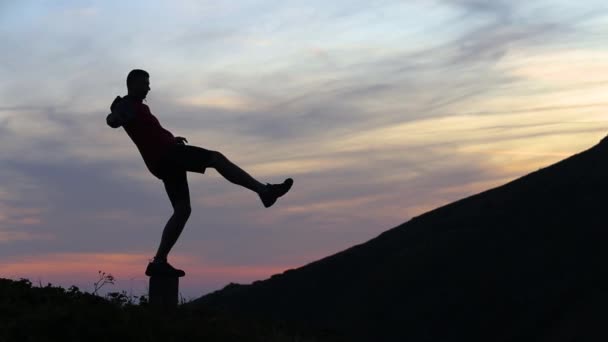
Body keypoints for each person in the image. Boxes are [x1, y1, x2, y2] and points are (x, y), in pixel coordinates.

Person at [106, 69, 293, 277]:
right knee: (216, 158)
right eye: (145, 83)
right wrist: (115, 117)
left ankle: (159, 261)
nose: (149, 87)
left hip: (164, 159)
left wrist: (171, 139)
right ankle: (263, 191)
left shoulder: (141, 107)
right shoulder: (127, 105)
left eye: (149, 83)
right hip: (168, 156)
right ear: (132, 84)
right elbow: (112, 120)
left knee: (183, 209)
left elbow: (149, 133)